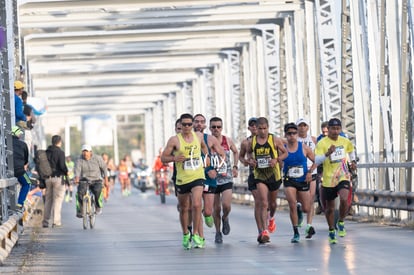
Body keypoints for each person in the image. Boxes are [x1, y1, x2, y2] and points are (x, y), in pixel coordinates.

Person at [161, 113, 210, 249]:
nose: (187, 127)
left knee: (196, 204)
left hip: (198, 175)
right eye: (184, 124)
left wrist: (206, 158)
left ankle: (195, 234)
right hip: (182, 178)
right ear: (180, 126)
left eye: (190, 124)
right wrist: (174, 159)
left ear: (193, 125)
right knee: (183, 208)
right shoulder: (174, 140)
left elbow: (205, 148)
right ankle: (185, 234)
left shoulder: (198, 136)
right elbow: (163, 158)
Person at [314, 118, 357, 244]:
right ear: (328, 129)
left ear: (340, 129)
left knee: (344, 199)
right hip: (328, 178)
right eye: (333, 129)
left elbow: (351, 150)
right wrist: (327, 154)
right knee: (330, 208)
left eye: (338, 128)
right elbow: (317, 161)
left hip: (342, 175)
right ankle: (331, 230)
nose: (335, 131)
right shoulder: (322, 143)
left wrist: (353, 162)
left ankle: (342, 221)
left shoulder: (344, 141)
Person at [246, 117, 288, 243]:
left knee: (272, 204)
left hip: (273, 175)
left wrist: (277, 159)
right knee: (264, 203)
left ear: (268, 128)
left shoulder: (274, 139)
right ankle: (264, 231)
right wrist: (251, 160)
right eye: (260, 129)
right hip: (259, 175)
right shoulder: (252, 141)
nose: (263, 131)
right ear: (256, 129)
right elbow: (248, 154)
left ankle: (271, 217)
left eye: (265, 129)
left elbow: (285, 153)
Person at [192, 114, 225, 244]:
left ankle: (206, 214)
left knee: (208, 211)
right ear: (193, 124)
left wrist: (215, 170)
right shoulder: (187, 139)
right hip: (193, 177)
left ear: (205, 125)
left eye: (202, 122)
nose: (199, 124)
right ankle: (200, 237)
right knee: (196, 205)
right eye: (196, 122)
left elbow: (222, 155)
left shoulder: (210, 139)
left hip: (208, 177)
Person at [282, 123, 317, 243]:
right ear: (285, 135)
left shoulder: (304, 148)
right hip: (289, 180)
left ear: (297, 134)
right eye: (289, 133)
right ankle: (295, 232)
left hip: (302, 179)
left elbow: (316, 161)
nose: (292, 136)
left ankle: (300, 209)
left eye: (294, 133)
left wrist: (310, 172)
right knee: (291, 203)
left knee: (307, 208)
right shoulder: (283, 148)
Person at [209, 117, 239, 244]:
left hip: (226, 178)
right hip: (213, 179)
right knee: (216, 208)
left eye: (218, 127)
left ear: (222, 128)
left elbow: (236, 152)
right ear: (210, 128)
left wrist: (235, 166)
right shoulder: (206, 141)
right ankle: (217, 232)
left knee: (226, 205)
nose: (216, 129)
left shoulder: (227, 140)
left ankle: (225, 218)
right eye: (213, 127)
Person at [239, 117, 262, 236]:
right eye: (252, 125)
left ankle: (270, 217)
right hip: (254, 174)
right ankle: (261, 231)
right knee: (258, 202)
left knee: (268, 203)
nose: (254, 127)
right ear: (248, 128)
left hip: (267, 175)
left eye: (256, 125)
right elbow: (241, 157)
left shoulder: (269, 139)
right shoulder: (246, 142)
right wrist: (247, 162)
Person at [295, 118, 317, 238]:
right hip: (298, 172)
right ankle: (299, 209)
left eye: (304, 125)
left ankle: (309, 225)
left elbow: (318, 156)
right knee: (300, 200)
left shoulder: (313, 140)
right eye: (300, 126)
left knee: (311, 198)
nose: (302, 128)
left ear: (307, 127)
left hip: (311, 170)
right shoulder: (294, 140)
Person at [74, 144, 108, 217]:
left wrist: (106, 180)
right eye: (83, 151)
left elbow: (104, 168)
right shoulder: (79, 159)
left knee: (97, 191)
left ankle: (97, 206)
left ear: (90, 152)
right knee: (80, 192)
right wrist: (76, 178)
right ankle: (81, 209)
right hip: (84, 180)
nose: (85, 153)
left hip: (96, 179)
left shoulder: (97, 158)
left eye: (87, 151)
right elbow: (77, 170)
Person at [42, 135, 69, 228]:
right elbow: (62, 165)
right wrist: (66, 171)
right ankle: (56, 221)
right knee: (57, 200)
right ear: (59, 142)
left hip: (47, 178)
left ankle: (45, 222)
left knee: (48, 200)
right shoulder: (60, 152)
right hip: (58, 178)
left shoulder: (46, 152)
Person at [11, 126, 32, 213]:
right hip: (19, 170)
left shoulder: (4, 143)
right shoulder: (23, 144)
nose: (20, 134)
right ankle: (19, 204)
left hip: (7, 171)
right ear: (17, 134)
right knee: (27, 183)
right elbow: (26, 160)